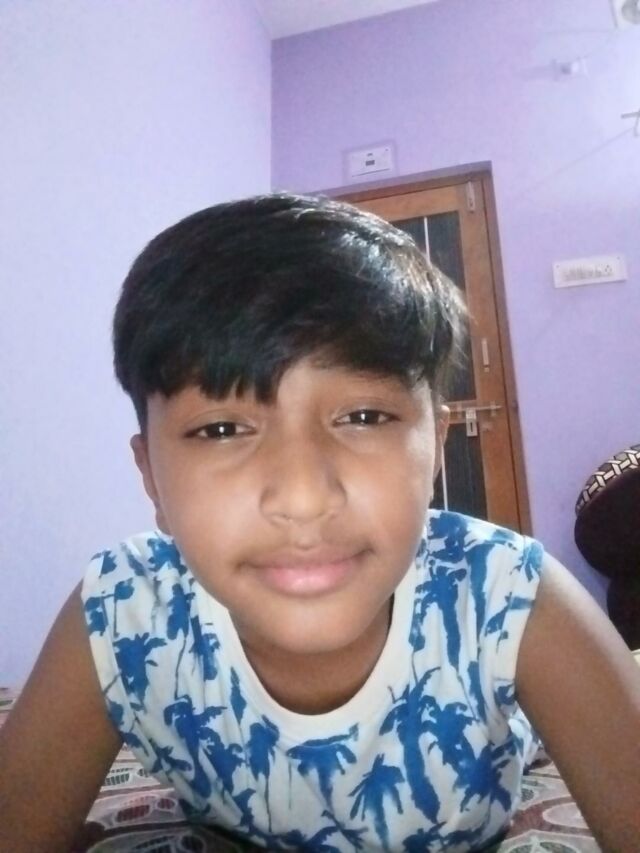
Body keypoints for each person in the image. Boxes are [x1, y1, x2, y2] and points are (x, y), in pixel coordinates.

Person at [1, 193, 639, 853]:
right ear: (151, 478)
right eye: (221, 429)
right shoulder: (122, 611)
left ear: (435, 448)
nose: (304, 498)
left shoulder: (509, 596)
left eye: (363, 417)